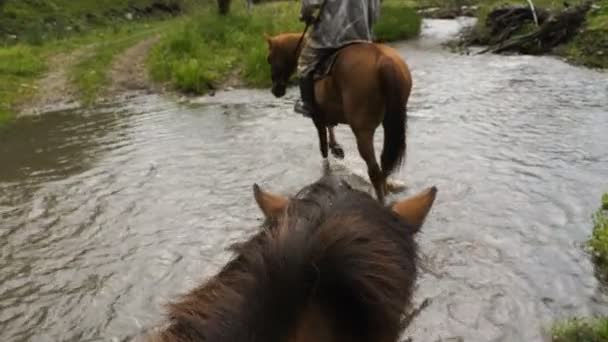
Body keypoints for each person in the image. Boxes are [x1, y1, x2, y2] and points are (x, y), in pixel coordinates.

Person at [295, 0, 380, 118]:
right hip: (363, 35)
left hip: (332, 36)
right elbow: (375, 11)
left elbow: (310, 4)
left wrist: (305, 16)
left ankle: (307, 104)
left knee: (304, 61)